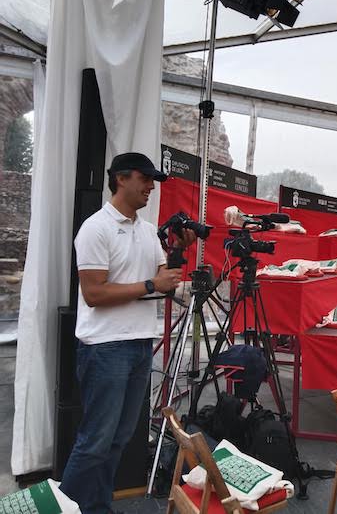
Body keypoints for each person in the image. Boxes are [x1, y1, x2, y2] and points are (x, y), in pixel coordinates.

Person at [60, 153, 195, 514]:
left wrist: (179, 251)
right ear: (121, 178)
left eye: (153, 181)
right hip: (105, 348)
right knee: (95, 442)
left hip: (139, 345)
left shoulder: (148, 230)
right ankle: (64, 508)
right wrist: (150, 284)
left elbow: (164, 280)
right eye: (145, 178)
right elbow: (94, 293)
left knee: (119, 439)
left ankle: (96, 507)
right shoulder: (95, 228)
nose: (151, 186)